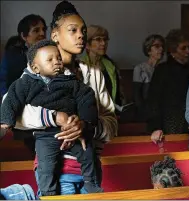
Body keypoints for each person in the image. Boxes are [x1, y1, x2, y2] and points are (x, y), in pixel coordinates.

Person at [4, 0, 117, 196]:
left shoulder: (93, 73)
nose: (81, 35)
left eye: (82, 30)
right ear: (55, 35)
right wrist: (56, 117)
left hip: (88, 167)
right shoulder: (35, 73)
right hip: (55, 169)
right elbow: (12, 112)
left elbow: (112, 124)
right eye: (73, 30)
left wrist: (86, 126)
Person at [1, 39, 102, 195]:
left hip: (71, 129)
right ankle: (48, 194)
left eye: (58, 58)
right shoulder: (25, 82)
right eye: (50, 60)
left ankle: (92, 184)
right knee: (46, 165)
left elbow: (86, 98)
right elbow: (12, 100)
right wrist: (5, 124)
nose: (57, 62)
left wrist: (85, 122)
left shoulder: (70, 81)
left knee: (87, 152)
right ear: (35, 67)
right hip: (45, 134)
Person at [148, 29, 189, 144]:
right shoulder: (162, 70)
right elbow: (154, 101)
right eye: (183, 48)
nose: (188, 51)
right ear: (172, 50)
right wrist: (155, 127)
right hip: (170, 122)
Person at [0, 14, 47, 99]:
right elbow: (2, 81)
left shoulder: (53, 54)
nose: (42, 33)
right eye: (36, 30)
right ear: (24, 36)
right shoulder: (12, 56)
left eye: (44, 29)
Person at [80, 25, 124, 107]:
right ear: (87, 44)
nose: (103, 43)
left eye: (105, 39)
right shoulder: (81, 65)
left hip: (112, 111)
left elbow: (117, 93)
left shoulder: (110, 64)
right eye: (98, 39)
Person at [133, 34, 165, 121]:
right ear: (148, 50)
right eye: (157, 46)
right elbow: (137, 97)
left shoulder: (165, 69)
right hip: (146, 114)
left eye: (162, 46)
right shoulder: (140, 68)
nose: (161, 49)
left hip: (163, 111)